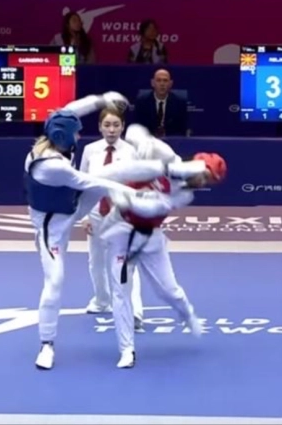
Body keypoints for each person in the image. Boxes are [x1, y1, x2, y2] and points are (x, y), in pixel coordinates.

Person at [26, 93, 205, 370]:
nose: (79, 135)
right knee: (55, 281)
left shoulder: (53, 133)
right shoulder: (49, 167)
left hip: (73, 205)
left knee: (116, 169)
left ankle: (173, 168)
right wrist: (133, 194)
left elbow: (71, 109)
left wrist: (101, 100)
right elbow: (88, 181)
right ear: (63, 137)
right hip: (53, 226)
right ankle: (46, 344)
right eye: (75, 133)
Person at [102, 124, 225, 369]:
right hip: (121, 230)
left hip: (150, 238)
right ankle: (126, 350)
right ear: (196, 164)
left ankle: (187, 313)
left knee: (168, 292)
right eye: (204, 174)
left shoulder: (184, 195)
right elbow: (134, 132)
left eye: (209, 181)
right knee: (120, 292)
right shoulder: (168, 157)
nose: (202, 182)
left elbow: (151, 209)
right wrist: (146, 145)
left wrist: (127, 199)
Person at [79, 108, 144, 329]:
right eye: (107, 125)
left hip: (122, 213)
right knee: (96, 262)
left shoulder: (132, 152)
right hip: (96, 212)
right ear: (100, 127)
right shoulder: (90, 150)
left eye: (116, 125)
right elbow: (82, 183)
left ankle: (135, 311)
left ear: (122, 126)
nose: (112, 130)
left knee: (127, 263)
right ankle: (102, 301)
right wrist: (84, 216)